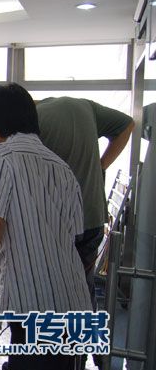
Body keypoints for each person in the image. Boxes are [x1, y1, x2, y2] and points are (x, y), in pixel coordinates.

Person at [0, 83, 91, 370]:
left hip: (33, 301)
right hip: (74, 298)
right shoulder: (63, 169)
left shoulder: (0, 156)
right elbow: (73, 234)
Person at [36, 97, 134, 304]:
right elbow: (127, 124)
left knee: (50, 288)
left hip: (57, 221)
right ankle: (83, 322)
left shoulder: (33, 121)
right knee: (82, 284)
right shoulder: (85, 106)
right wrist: (102, 165)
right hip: (92, 217)